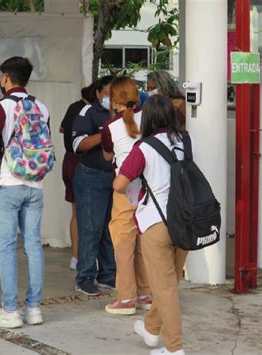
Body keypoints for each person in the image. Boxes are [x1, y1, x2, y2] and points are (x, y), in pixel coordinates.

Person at [113, 95, 188, 355]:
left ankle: (174, 349)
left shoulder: (144, 147)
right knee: (169, 282)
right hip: (185, 221)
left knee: (164, 288)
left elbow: (119, 184)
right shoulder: (185, 141)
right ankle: (151, 328)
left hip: (156, 223)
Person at [0, 57, 50, 329]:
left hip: (8, 184)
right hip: (35, 185)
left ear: (6, 77)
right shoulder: (41, 107)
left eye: (1, 77)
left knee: (6, 248)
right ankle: (34, 308)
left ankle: (10, 310)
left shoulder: (3, 107)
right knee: (33, 245)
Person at [101, 76, 151, 315]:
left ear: (114, 100)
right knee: (143, 242)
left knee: (123, 244)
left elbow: (108, 157)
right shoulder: (149, 120)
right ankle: (145, 293)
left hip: (125, 187)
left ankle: (125, 298)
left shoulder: (110, 128)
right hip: (150, 188)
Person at [71, 75, 116, 296]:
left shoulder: (125, 113)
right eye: (108, 92)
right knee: (91, 228)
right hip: (92, 176)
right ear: (98, 93)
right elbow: (78, 144)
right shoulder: (88, 113)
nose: (111, 97)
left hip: (117, 178)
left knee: (111, 228)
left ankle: (108, 275)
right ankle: (85, 277)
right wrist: (105, 134)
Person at [59, 83, 96, 270]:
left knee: (76, 212)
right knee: (89, 214)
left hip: (69, 160)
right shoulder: (90, 111)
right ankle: (86, 256)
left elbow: (62, 129)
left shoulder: (73, 107)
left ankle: (75, 256)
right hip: (82, 162)